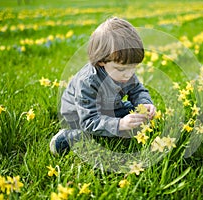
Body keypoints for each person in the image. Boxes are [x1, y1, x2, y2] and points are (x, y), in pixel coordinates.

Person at [50, 17, 156, 155]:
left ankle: (115, 124)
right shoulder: (88, 82)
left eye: (134, 67)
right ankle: (66, 138)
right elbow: (89, 120)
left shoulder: (124, 71)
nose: (129, 75)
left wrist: (144, 103)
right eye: (122, 69)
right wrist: (119, 125)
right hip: (81, 117)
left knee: (136, 116)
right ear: (101, 61)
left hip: (108, 108)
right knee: (92, 133)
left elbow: (137, 90)